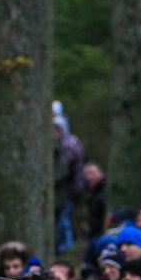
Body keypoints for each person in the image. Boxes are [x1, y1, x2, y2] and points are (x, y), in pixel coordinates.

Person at [52, 103, 85, 252]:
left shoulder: (68, 145)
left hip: (68, 190)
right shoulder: (62, 144)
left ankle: (67, 247)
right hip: (66, 190)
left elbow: (64, 170)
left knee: (64, 220)